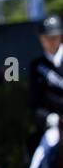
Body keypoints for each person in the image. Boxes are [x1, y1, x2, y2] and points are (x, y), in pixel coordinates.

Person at [27, 15, 63, 159]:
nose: (50, 42)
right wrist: (48, 118)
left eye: (54, 37)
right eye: (46, 38)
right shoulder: (37, 66)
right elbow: (33, 103)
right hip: (54, 126)